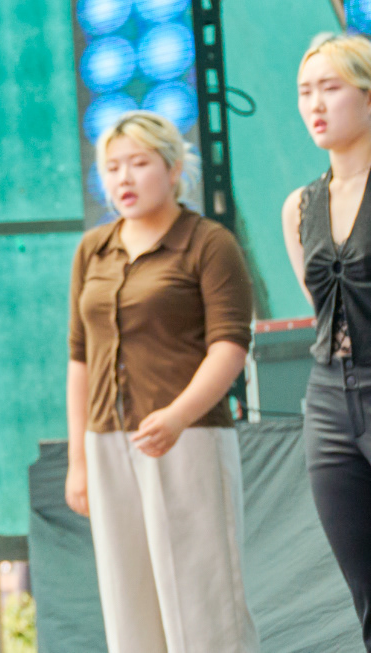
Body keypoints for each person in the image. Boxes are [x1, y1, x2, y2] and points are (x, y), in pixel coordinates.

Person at [63, 110, 258, 653]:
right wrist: (79, 459)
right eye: (111, 167)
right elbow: (79, 358)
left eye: (139, 163)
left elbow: (230, 345)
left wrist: (177, 416)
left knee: (204, 604)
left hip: (189, 437)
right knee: (128, 606)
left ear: (173, 170)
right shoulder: (92, 249)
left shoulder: (209, 243)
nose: (123, 178)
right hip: (106, 441)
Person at [283, 32, 371, 651]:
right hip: (329, 400)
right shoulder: (299, 206)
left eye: (330, 88)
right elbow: (320, 309)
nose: (315, 104)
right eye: (304, 91)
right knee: (364, 586)